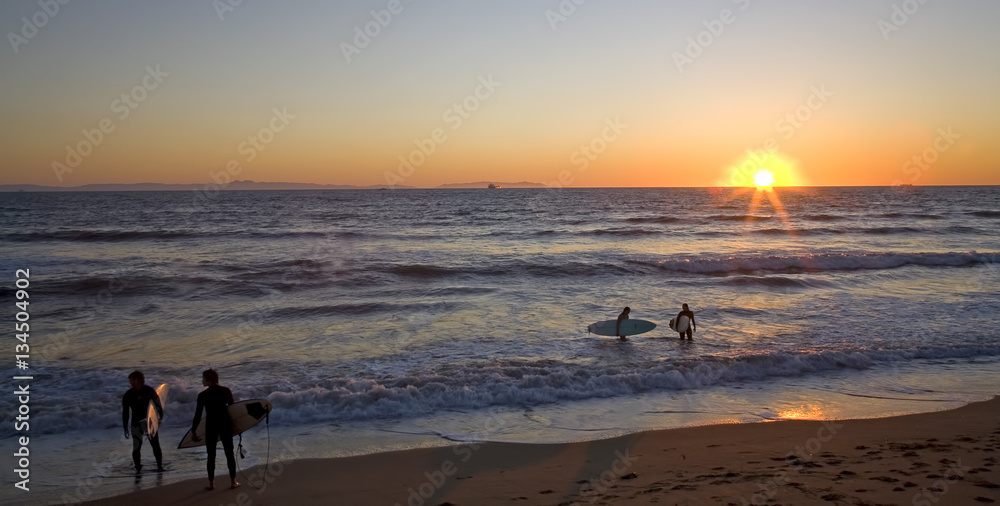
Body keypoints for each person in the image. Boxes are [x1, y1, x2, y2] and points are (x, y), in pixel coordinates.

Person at [190, 369, 239, 490]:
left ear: (208, 380)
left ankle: (211, 483)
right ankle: (233, 481)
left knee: (211, 455)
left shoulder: (202, 395)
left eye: (203, 378)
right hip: (225, 424)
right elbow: (233, 410)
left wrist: (193, 431)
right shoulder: (226, 391)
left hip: (211, 426)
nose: (202, 381)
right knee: (229, 453)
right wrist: (238, 427)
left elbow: (198, 415)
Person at [122, 370, 164, 473]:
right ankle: (138, 469)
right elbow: (125, 412)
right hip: (136, 423)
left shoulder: (149, 391)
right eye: (130, 381)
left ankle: (160, 466)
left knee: (155, 445)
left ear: (138, 380)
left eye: (132, 380)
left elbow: (158, 406)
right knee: (136, 447)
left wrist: (159, 419)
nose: (130, 382)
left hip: (149, 422)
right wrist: (125, 428)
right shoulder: (128, 395)